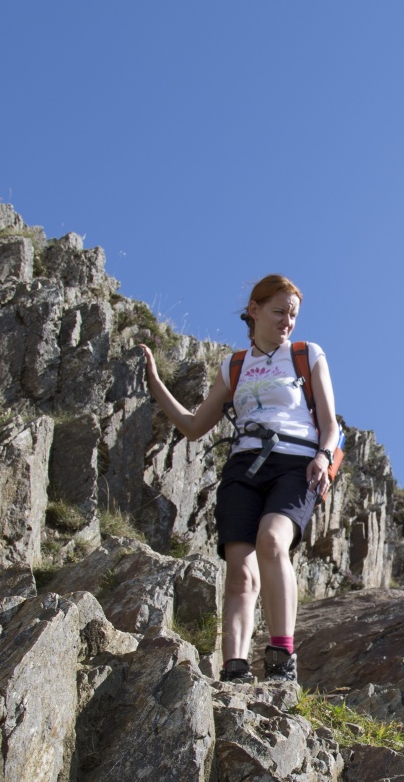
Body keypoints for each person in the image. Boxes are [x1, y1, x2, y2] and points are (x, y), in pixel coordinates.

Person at [138, 273, 339, 683]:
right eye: (279, 311)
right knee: (240, 570)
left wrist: (321, 456)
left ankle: (282, 659)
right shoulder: (234, 365)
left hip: (296, 464)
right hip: (243, 468)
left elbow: (331, 424)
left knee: (271, 540)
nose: (287, 321)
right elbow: (195, 427)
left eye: (293, 314)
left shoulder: (307, 354)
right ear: (255, 310)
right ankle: (235, 667)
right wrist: (157, 384)